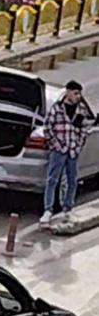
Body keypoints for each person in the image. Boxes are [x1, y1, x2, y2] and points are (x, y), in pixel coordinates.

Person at [40, 82, 95, 227]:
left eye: (79, 94)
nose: (78, 97)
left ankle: (68, 208)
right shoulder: (57, 109)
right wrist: (56, 145)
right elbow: (48, 128)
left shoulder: (80, 110)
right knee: (53, 180)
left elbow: (84, 130)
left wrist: (77, 146)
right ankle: (48, 210)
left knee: (72, 180)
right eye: (76, 93)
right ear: (68, 92)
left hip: (72, 151)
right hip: (59, 150)